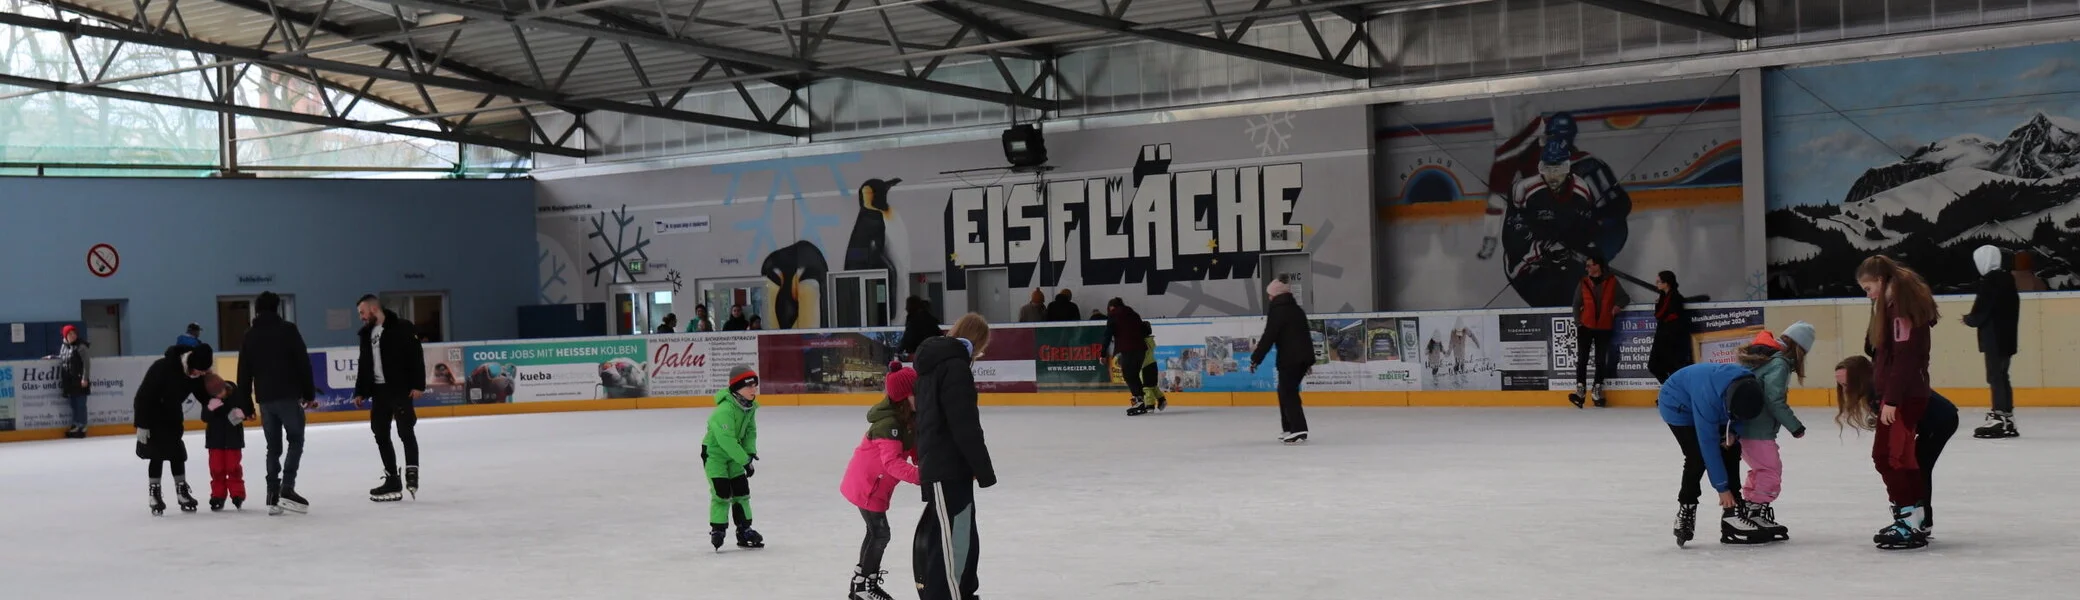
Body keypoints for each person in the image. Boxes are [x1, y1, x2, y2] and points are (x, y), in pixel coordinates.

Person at [1855, 255, 1941, 550]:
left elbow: (1903, 358)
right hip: (1907, 394)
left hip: (1903, 397)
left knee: (1886, 457)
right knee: (1903, 458)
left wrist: (1890, 400)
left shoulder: (1900, 308)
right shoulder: (1896, 304)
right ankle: (1915, 517)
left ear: (1880, 280)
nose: (1868, 295)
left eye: (1868, 288)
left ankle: (1908, 518)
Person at [912, 314, 996, 600]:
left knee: (960, 536)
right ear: (979, 341)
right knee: (950, 544)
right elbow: (964, 424)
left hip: (950, 465)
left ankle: (963, 592)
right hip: (946, 466)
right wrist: (982, 468)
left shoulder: (941, 363)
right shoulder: (954, 366)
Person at [1835, 355, 1957, 549]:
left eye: (1847, 384)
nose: (1845, 390)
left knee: (1916, 465)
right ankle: (1920, 520)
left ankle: (1916, 521)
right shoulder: (1877, 388)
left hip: (1941, 421)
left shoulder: (1882, 389)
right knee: (1913, 465)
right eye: (1841, 385)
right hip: (1930, 421)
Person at [1656, 361, 1771, 546]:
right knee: (1697, 457)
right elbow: (1707, 445)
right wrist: (1722, 488)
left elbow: (1743, 415)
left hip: (1718, 404)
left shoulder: (1748, 385)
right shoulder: (1707, 398)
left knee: (1731, 448)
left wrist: (1734, 432)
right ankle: (1687, 508)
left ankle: (1732, 514)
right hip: (1677, 406)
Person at [233, 291, 318, 515]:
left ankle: (272, 494)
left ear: (257, 309)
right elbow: (303, 362)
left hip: (265, 400)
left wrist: (247, 406)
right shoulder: (288, 330)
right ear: (277, 308)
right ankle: (287, 487)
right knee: (296, 439)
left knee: (273, 447)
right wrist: (309, 394)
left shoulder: (249, 335)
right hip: (288, 396)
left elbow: (243, 374)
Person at [842, 362, 921, 600]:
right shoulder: (889, 425)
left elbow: (914, 449)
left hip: (873, 485)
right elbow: (892, 463)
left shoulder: (906, 418)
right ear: (904, 397)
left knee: (874, 532)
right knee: (880, 533)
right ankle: (865, 587)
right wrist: (922, 477)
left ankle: (861, 584)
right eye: (917, 392)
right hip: (867, 486)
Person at [1734, 322, 1814, 541]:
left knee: (1760, 470)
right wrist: (1795, 426)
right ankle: (1755, 513)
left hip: (1743, 426)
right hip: (1758, 429)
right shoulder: (1778, 364)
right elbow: (1773, 399)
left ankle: (1750, 508)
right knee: (1770, 471)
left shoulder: (1758, 357)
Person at [352, 295, 425, 503]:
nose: (361, 317)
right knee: (380, 432)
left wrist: (418, 385)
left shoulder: (402, 327)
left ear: (374, 309)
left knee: (405, 430)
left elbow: (416, 356)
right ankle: (393, 479)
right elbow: (364, 364)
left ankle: (412, 471)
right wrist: (360, 391)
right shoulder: (366, 334)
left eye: (362, 312)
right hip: (379, 391)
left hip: (400, 388)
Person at [135, 343, 213, 516]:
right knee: (156, 455)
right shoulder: (162, 367)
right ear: (191, 364)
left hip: (173, 416)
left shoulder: (195, 373)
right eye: (199, 371)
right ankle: (154, 494)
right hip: (153, 416)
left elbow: (202, 394)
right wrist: (142, 424)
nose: (200, 375)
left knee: (177, 453)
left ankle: (182, 492)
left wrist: (215, 404)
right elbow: (143, 396)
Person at [1964, 245, 2021, 439]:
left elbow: (1982, 310)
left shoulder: (1990, 281)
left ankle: (1998, 417)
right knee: (2003, 376)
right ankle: (2007, 417)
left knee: (1995, 377)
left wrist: (1969, 319)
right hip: (2007, 337)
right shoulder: (2008, 280)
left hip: (1994, 338)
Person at [705, 366, 764, 551]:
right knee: (722, 492)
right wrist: (744, 460)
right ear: (737, 388)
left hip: (736, 454)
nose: (754, 389)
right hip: (715, 455)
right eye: (749, 386)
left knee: (741, 491)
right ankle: (718, 529)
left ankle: (744, 529)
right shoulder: (724, 410)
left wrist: (750, 451)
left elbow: (750, 431)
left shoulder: (749, 406)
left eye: (755, 385)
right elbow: (726, 441)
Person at [1250, 279, 1312, 445]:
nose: (1269, 298)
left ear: (1276, 295)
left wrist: (1256, 358)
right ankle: (1289, 427)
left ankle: (1298, 428)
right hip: (1301, 357)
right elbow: (1305, 336)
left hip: (1290, 359)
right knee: (1284, 390)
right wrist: (1307, 360)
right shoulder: (1297, 310)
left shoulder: (1278, 311)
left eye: (1270, 295)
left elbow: (1269, 337)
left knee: (1287, 391)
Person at [1570, 254, 1628, 408]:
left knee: (1600, 360)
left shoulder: (1612, 281)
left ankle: (1597, 390)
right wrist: (1578, 323)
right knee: (1582, 359)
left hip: (1604, 327)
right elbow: (1576, 304)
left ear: (1598, 266)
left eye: (1589, 265)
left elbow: (1624, 298)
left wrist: (1618, 306)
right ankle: (1580, 391)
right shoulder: (1583, 282)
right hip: (1586, 326)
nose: (1587, 268)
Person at [202, 370, 251, 512]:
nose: (218, 396)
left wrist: (238, 414)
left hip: (233, 440)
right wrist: (211, 407)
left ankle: (237, 494)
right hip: (215, 441)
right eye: (215, 394)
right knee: (216, 469)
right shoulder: (212, 400)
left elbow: (244, 412)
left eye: (220, 392)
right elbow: (205, 417)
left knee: (233, 468)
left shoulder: (236, 396)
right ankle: (218, 496)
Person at [1104, 298, 1157, 416]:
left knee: (1128, 375)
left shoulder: (1113, 316)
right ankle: (1142, 400)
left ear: (1112, 307)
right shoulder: (1134, 314)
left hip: (1128, 350)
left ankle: (1139, 400)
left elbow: (1107, 334)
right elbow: (1143, 329)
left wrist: (1103, 353)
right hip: (1141, 349)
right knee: (1133, 375)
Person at [1648, 271, 1692, 384]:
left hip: (1672, 339)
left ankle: (1672, 391)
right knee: (1653, 366)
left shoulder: (1675, 297)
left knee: (1672, 368)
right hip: (1662, 337)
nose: (1656, 284)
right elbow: (1660, 315)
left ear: (1666, 283)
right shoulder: (1662, 298)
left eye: (1659, 281)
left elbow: (1672, 316)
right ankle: (1670, 388)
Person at [53, 325, 91, 439]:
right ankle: (76, 424)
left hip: (79, 381)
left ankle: (82, 426)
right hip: (70, 381)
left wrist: (85, 378)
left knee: (80, 404)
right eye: (70, 334)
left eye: (74, 333)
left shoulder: (81, 347)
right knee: (73, 404)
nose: (73, 336)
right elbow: (63, 358)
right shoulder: (64, 347)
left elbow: (86, 363)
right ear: (65, 336)